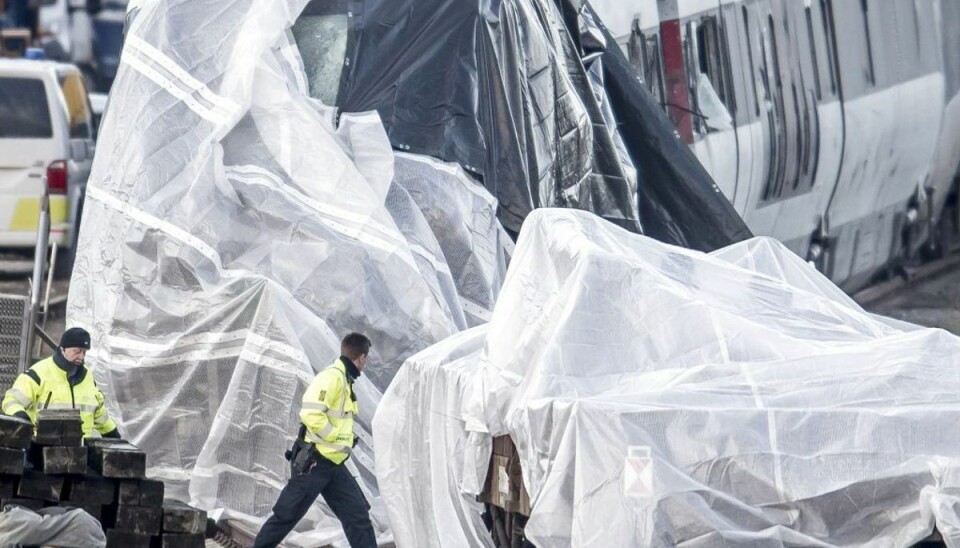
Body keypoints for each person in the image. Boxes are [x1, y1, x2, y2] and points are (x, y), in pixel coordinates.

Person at [252, 332, 376, 548]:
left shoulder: (345, 380)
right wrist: (335, 436)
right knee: (286, 516)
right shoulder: (333, 377)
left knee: (358, 516)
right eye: (366, 360)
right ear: (362, 358)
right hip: (315, 463)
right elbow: (310, 414)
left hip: (333, 464)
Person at [1, 327, 120, 438]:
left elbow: (99, 412)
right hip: (41, 451)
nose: (81, 357)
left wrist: (113, 435)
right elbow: (11, 400)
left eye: (84, 352)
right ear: (63, 349)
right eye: (77, 351)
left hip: (81, 453)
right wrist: (22, 419)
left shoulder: (88, 377)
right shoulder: (39, 373)